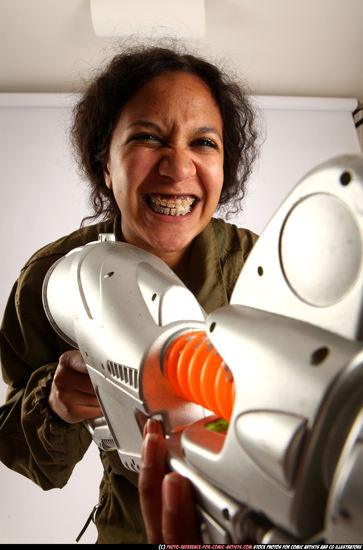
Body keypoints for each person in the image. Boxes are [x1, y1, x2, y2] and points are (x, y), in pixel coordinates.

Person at [0, 43, 259, 543]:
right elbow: (22, 452)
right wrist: (53, 405)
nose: (178, 167)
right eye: (148, 137)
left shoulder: (265, 269)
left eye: (204, 142)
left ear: (225, 167)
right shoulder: (53, 281)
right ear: (105, 163)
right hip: (133, 526)